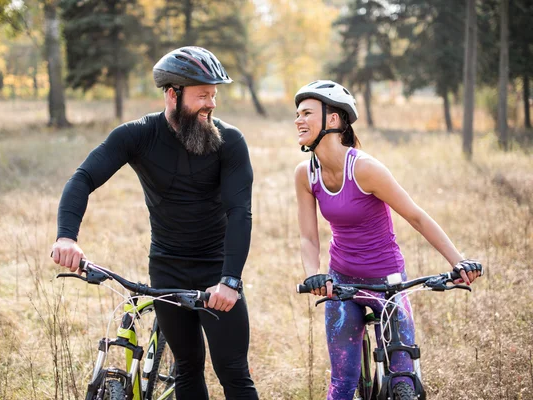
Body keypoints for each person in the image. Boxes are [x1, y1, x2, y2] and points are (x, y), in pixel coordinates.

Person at [51, 46, 259, 400]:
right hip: (167, 267)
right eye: (202, 95)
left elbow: (240, 212)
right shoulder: (138, 135)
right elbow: (84, 178)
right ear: (172, 94)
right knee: (187, 367)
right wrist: (66, 237)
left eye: (213, 94)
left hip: (217, 268)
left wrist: (229, 280)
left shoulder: (230, 142)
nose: (211, 103)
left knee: (233, 373)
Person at [293, 80, 483, 400]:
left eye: (307, 113)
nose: (298, 120)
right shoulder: (306, 173)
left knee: (402, 379)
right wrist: (315, 274)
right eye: (297, 114)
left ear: (334, 119)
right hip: (342, 285)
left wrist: (458, 261)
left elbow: (416, 216)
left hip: (389, 283)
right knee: (342, 383)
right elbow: (308, 237)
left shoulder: (366, 169)